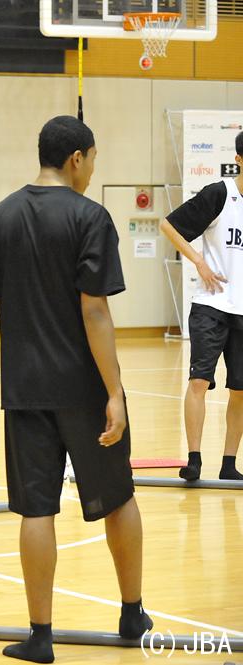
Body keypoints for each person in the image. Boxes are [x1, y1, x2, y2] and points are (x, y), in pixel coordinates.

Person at [0, 115, 151, 663]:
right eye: (93, 159)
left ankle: (40, 636)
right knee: (118, 495)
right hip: (83, 388)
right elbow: (94, 309)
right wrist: (115, 392)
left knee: (37, 509)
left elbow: (3, 300)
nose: (93, 169)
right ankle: (132, 614)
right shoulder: (90, 216)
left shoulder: (1, 217)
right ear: (76, 157)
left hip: (24, 387)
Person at [159, 131, 243, 482]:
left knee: (240, 390)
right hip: (211, 305)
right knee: (199, 381)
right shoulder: (219, 194)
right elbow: (168, 225)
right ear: (239, 160)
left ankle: (229, 464)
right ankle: (194, 459)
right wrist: (198, 260)